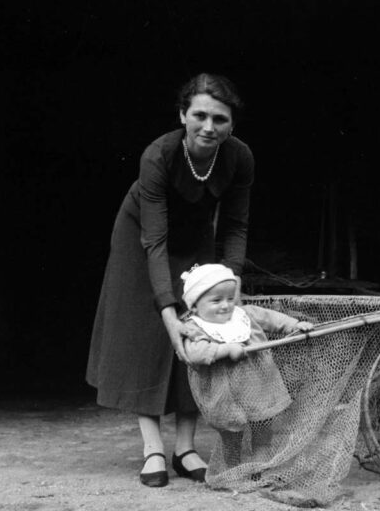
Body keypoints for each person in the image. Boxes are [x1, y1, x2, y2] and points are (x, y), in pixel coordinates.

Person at [86, 73, 254, 487]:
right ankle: (152, 450)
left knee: (204, 327)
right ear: (183, 115)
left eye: (220, 118)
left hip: (196, 236)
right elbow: (155, 240)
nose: (209, 127)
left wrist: (231, 288)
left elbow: (235, 226)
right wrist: (166, 307)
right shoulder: (158, 156)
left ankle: (185, 448)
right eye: (199, 115)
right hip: (142, 236)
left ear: (232, 124)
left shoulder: (239, 157)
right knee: (153, 332)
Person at [179, 264, 314, 468]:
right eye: (216, 300)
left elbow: (271, 318)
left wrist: (294, 325)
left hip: (259, 383)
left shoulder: (244, 314)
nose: (225, 305)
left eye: (230, 298)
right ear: (195, 305)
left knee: (263, 424)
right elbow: (194, 353)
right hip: (224, 392)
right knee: (231, 433)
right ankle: (234, 466)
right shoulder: (194, 327)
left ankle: (261, 461)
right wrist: (224, 350)